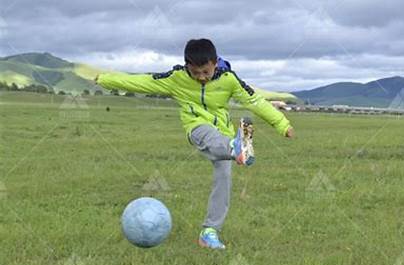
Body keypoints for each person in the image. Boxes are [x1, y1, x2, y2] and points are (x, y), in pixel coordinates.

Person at [96, 38, 294, 249]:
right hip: (197, 127)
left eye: (206, 72)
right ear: (187, 65)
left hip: (225, 133)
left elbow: (254, 101)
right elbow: (141, 82)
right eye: (195, 72)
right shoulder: (176, 78)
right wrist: (105, 79)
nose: (201, 77)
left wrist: (282, 124)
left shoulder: (228, 79)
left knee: (223, 181)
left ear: (215, 63)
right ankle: (236, 148)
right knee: (210, 136)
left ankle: (209, 232)